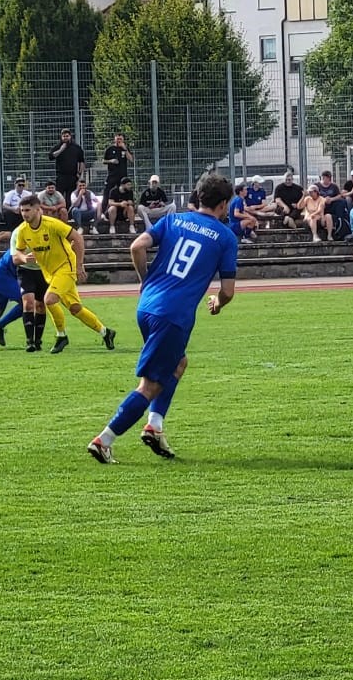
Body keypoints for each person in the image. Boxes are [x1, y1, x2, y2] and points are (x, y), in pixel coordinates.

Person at [88, 174, 240, 464]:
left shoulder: (174, 221)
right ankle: (104, 439)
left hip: (146, 307)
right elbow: (228, 291)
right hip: (174, 315)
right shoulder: (225, 237)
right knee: (150, 385)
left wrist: (145, 279)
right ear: (223, 204)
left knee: (178, 363)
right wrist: (217, 302)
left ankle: (154, 426)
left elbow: (136, 246)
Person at [12, 194, 115, 355]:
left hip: (66, 267)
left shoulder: (52, 224)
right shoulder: (23, 231)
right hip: (50, 273)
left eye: (27, 210)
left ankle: (61, 336)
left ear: (38, 210)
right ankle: (105, 332)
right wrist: (24, 257)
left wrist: (79, 265)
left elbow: (78, 238)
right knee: (75, 308)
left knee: (49, 300)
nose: (24, 214)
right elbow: (16, 255)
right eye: (22, 210)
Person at [49, 127, 86, 195]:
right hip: (61, 176)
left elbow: (81, 161)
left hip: (73, 176)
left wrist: (80, 174)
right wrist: (61, 150)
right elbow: (51, 156)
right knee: (59, 195)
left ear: (70, 136)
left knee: (71, 196)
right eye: (64, 136)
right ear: (61, 137)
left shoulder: (76, 147)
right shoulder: (58, 146)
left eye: (67, 136)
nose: (65, 138)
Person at [317, 170, 349, 238]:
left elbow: (339, 195)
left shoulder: (334, 186)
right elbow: (313, 196)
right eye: (326, 178)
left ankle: (340, 219)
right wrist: (324, 199)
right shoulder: (317, 186)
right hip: (321, 204)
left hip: (331, 204)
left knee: (341, 202)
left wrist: (331, 199)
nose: (328, 179)